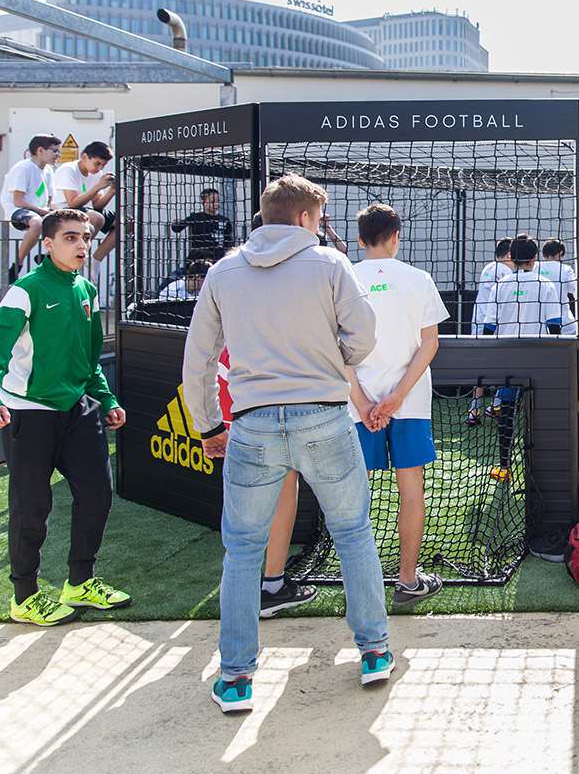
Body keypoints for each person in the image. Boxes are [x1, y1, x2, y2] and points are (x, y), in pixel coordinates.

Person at [183, 173, 390, 713]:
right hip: (324, 415)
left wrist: (207, 425)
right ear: (304, 218)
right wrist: (332, 357)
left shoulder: (224, 270)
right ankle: (373, 651)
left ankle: (235, 678)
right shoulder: (329, 263)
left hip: (251, 423)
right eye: (318, 218)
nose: (320, 227)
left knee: (243, 551)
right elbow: (364, 335)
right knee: (353, 533)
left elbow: (198, 358)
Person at [0, 208, 131, 626]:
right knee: (32, 505)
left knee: (97, 493)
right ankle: (24, 596)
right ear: (48, 244)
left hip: (78, 409)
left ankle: (80, 582)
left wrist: (106, 399)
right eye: (71, 238)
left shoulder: (87, 290)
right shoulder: (26, 291)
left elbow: (89, 359)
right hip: (28, 413)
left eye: (86, 238)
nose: (82, 245)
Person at [347, 204, 449, 606]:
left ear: (359, 239)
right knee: (411, 489)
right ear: (396, 236)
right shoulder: (418, 279)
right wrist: (397, 398)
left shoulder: (345, 276)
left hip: (358, 405)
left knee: (353, 495)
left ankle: (360, 586)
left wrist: (364, 400)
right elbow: (431, 342)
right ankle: (408, 580)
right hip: (408, 404)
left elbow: (335, 350)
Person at [479, 234, 567, 464]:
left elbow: (489, 326)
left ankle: (504, 463)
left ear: (512, 257)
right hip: (537, 356)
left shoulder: (500, 287)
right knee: (537, 411)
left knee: (507, 413)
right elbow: (554, 326)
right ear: (534, 258)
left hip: (508, 356)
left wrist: (487, 357)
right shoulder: (545, 285)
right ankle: (539, 462)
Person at [0, 135, 61, 283]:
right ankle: (18, 264)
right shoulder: (23, 168)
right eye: (55, 151)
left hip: (40, 211)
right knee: (37, 222)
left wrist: (60, 212)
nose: (58, 155)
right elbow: (18, 201)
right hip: (17, 211)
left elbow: (50, 201)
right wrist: (43, 211)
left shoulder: (48, 171)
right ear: (40, 150)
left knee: (66, 222)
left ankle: (49, 256)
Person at [465, 238, 514, 426]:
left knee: (482, 371)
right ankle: (495, 406)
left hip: (480, 323)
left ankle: (475, 411)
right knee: (505, 367)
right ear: (509, 254)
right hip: (493, 326)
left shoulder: (488, 267)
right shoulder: (504, 271)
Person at [51, 141, 119, 264]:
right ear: (84, 157)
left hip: (85, 210)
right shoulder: (69, 169)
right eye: (97, 164)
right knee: (96, 218)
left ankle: (94, 261)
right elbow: (72, 203)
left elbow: (97, 205)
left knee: (126, 223)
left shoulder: (96, 173)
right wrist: (98, 186)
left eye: (103, 166)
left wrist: (112, 191)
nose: (99, 169)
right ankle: (73, 252)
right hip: (63, 210)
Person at [169, 187, 235, 266]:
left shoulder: (225, 221)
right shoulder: (196, 218)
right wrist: (177, 223)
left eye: (218, 201)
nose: (216, 204)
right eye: (212, 202)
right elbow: (177, 228)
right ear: (203, 202)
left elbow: (229, 243)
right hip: (199, 259)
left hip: (219, 260)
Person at [537, 238, 579, 335]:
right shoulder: (565, 269)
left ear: (543, 255)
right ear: (560, 254)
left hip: (540, 326)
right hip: (566, 326)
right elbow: (577, 290)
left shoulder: (535, 267)